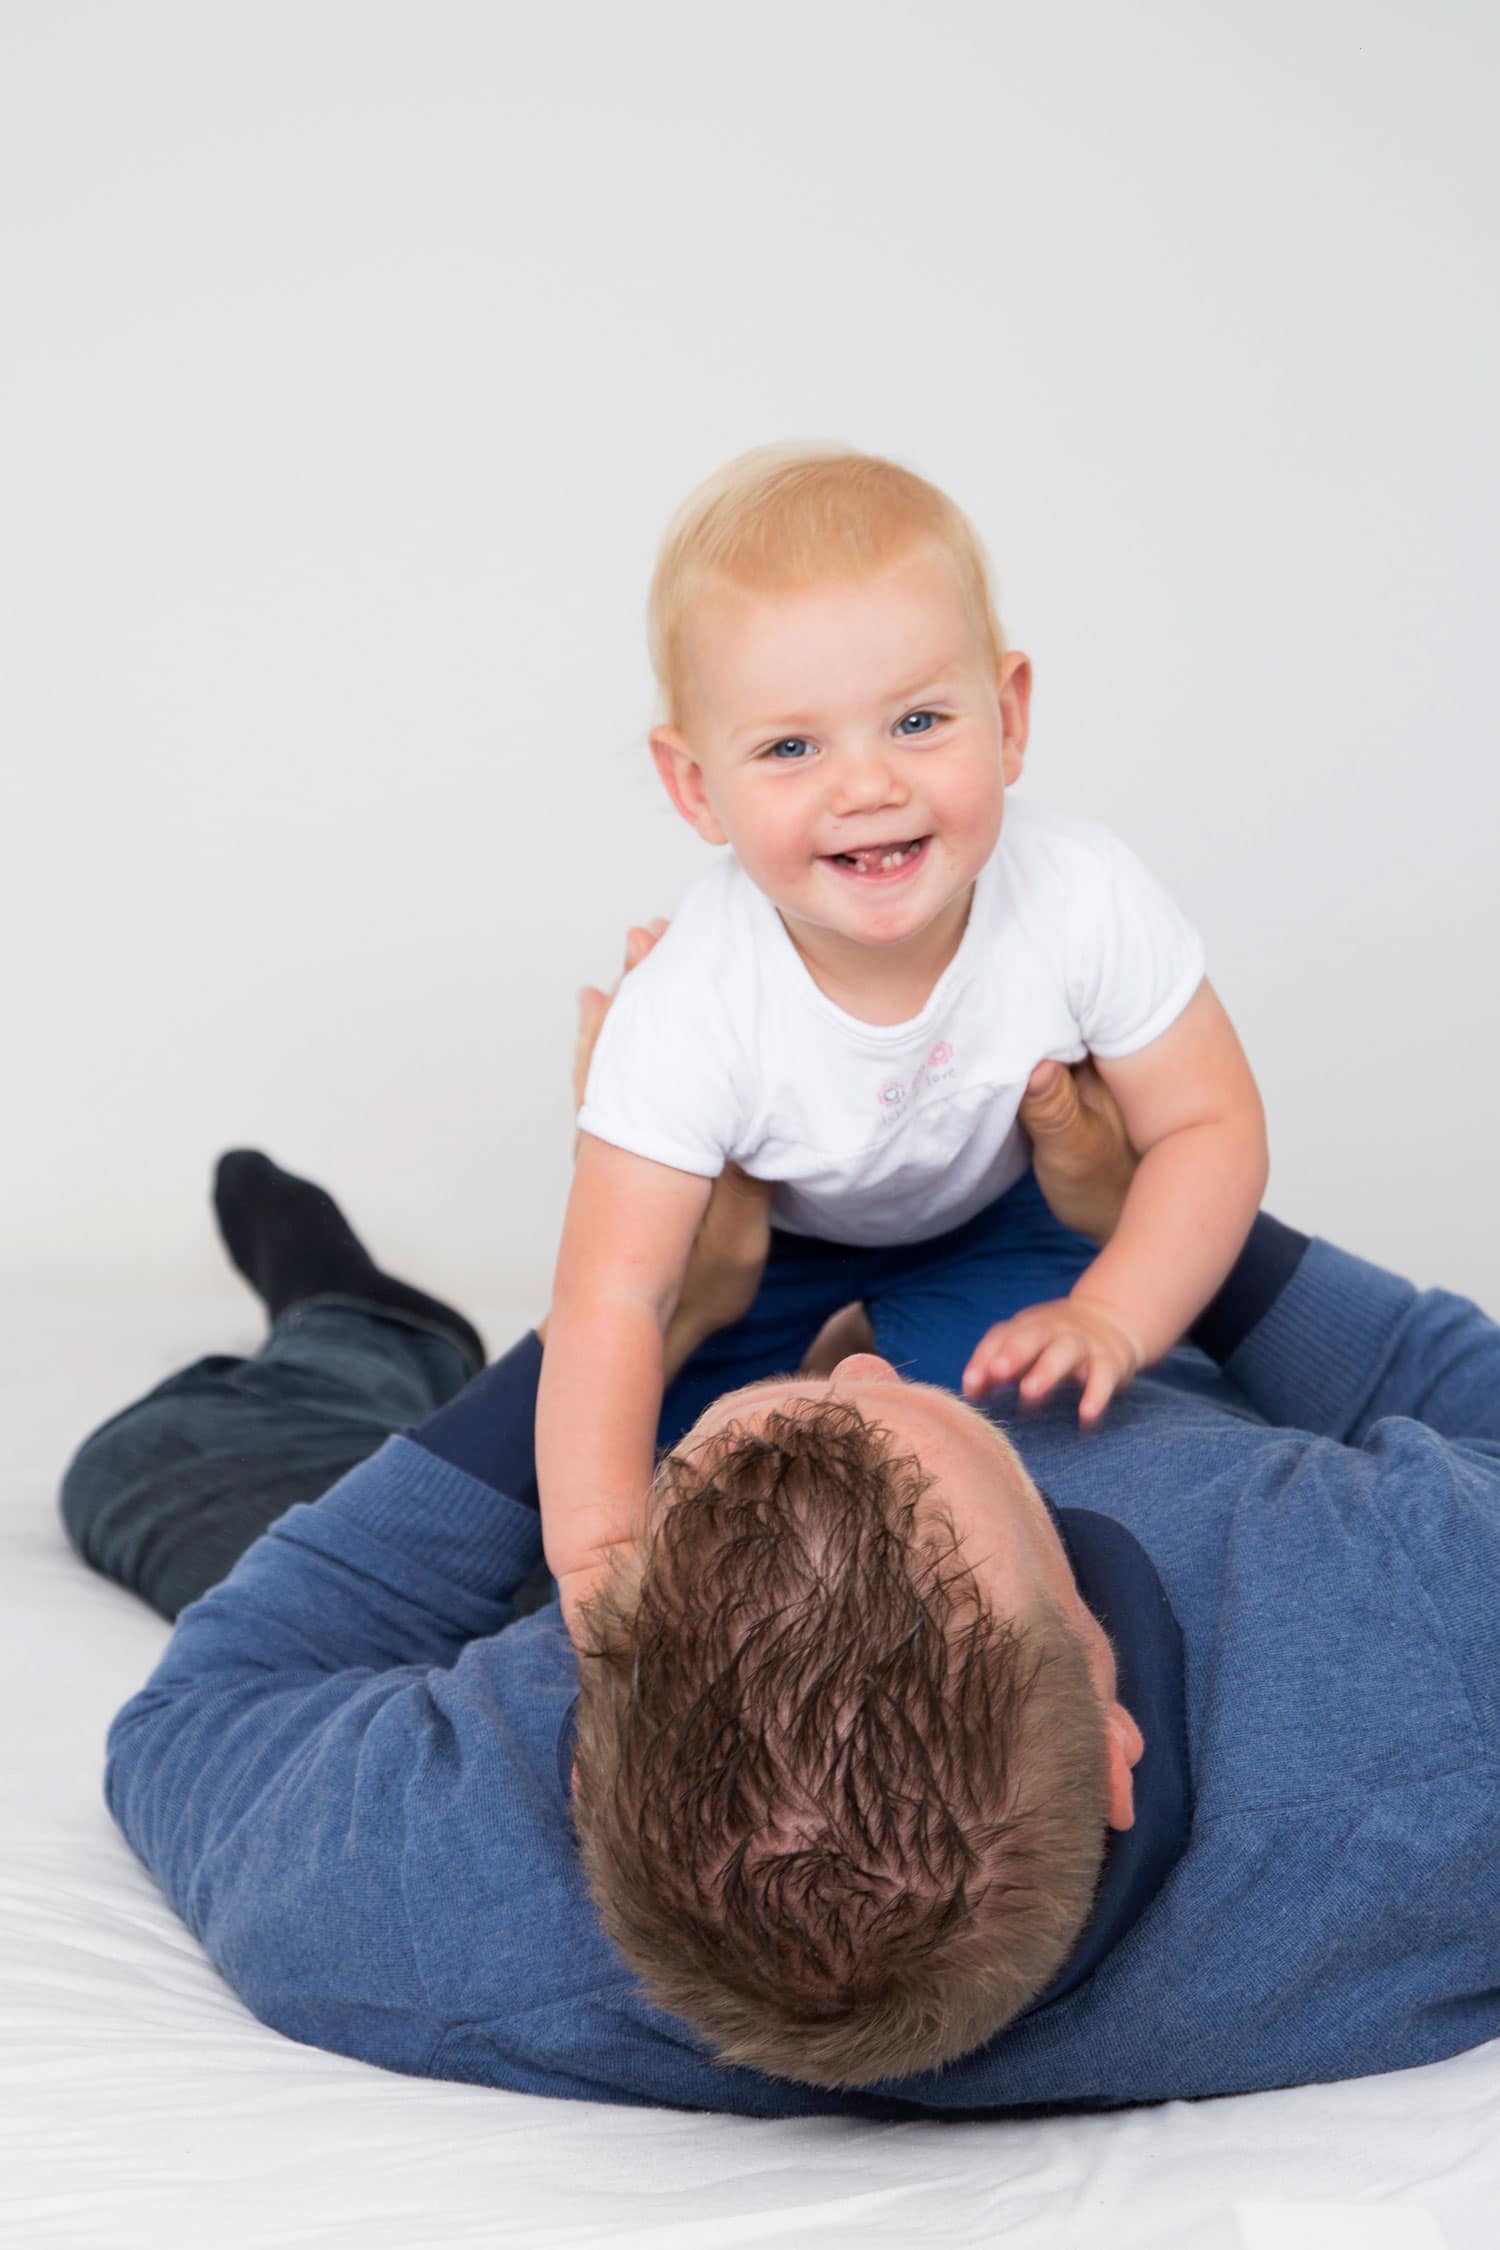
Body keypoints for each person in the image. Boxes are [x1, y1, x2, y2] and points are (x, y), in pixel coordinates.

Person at [62, 954, 1500, 2113]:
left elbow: (212, 1702)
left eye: (848, 1395)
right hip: (1074, 1300)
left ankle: (363, 1327)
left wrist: (641, 1321)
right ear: (1110, 1710)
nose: (860, 1359)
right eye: (876, 1404)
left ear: (579, 1739)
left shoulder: (451, 1896)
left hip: (666, 1359)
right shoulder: (1436, 1665)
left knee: (158, 1477)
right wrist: (1176, 1227)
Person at [538, 441, 1268, 1642]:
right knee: (715, 1504)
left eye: (919, 720)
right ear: (696, 787)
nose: (866, 786)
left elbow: (1211, 1124)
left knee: (1055, 1457)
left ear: (1011, 715)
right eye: (790, 747)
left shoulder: (1080, 896)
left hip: (997, 1215)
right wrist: (597, 1550)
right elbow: (617, 1289)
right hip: (773, 1251)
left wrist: (1116, 1316)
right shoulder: (693, 1000)